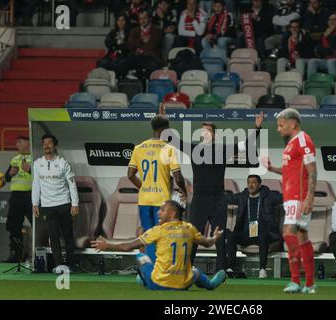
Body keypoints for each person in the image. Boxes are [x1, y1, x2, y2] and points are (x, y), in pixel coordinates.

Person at [161, 106, 264, 272]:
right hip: (199, 201)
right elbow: (171, 139)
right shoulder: (193, 148)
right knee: (193, 236)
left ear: (214, 135)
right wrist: (165, 121)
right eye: (203, 131)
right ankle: (187, 269)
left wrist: (257, 128)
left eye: (208, 130)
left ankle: (221, 271)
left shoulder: (223, 149)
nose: (205, 133)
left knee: (220, 239)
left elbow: (246, 143)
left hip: (218, 200)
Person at [91, 200, 227, 291]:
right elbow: (208, 243)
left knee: (141, 257)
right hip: (183, 284)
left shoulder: (158, 230)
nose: (158, 213)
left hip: (158, 283)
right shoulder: (189, 228)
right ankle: (211, 284)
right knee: (195, 272)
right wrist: (215, 237)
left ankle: (143, 280)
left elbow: (128, 246)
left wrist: (107, 244)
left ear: (172, 214)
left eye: (162, 210)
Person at [262, 108, 318, 294]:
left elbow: (312, 171)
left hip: (298, 196)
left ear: (293, 123)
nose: (278, 129)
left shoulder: (303, 140)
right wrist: (271, 168)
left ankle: (295, 280)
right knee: (302, 237)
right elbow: (289, 170)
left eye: (281, 124)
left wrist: (309, 198)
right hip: (290, 196)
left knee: (288, 233)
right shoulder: (291, 144)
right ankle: (309, 284)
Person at [128, 115, 187, 263]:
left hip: (144, 200)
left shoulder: (138, 148)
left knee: (148, 235)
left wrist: (145, 187)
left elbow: (130, 175)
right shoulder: (169, 149)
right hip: (162, 202)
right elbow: (178, 178)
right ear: (166, 130)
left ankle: (150, 270)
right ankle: (158, 270)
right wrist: (184, 191)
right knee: (162, 236)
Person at [32, 134, 79, 272]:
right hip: (47, 206)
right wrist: (35, 203)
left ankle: (70, 264)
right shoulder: (37, 164)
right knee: (53, 236)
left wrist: (75, 203)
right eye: (44, 143)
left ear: (55, 145)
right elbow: (36, 185)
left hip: (64, 204)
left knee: (68, 235)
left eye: (49, 143)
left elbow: (72, 184)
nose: (46, 145)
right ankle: (59, 265)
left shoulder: (63, 163)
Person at [225, 175, 283, 279]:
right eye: (248, 182)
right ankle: (231, 268)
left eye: (253, 182)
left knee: (263, 235)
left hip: (263, 234)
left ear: (259, 184)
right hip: (246, 234)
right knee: (232, 235)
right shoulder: (243, 196)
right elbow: (228, 198)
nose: (250, 185)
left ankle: (262, 269)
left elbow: (283, 197)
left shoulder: (268, 196)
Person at [3, 136, 33, 262]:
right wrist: (9, 174)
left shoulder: (35, 158)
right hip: (16, 196)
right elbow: (6, 178)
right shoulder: (14, 159)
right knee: (13, 226)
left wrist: (30, 169)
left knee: (37, 225)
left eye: (19, 142)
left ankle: (40, 254)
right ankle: (15, 254)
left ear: (28, 143)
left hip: (31, 196)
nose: (16, 145)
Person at [115, 10, 164, 78]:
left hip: (150, 57)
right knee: (119, 65)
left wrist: (138, 43)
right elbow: (129, 45)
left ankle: (140, 78)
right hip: (136, 56)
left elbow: (153, 45)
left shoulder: (157, 30)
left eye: (145, 18)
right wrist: (142, 40)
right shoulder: (135, 30)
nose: (142, 21)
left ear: (149, 18)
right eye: (140, 19)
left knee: (153, 67)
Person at [307, 13, 336, 80]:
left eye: (334, 20)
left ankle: (333, 85)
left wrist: (329, 35)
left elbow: (334, 45)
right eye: (330, 20)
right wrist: (331, 51)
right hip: (326, 59)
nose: (331, 22)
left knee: (330, 62)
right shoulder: (325, 33)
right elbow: (319, 50)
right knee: (312, 61)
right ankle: (311, 83)